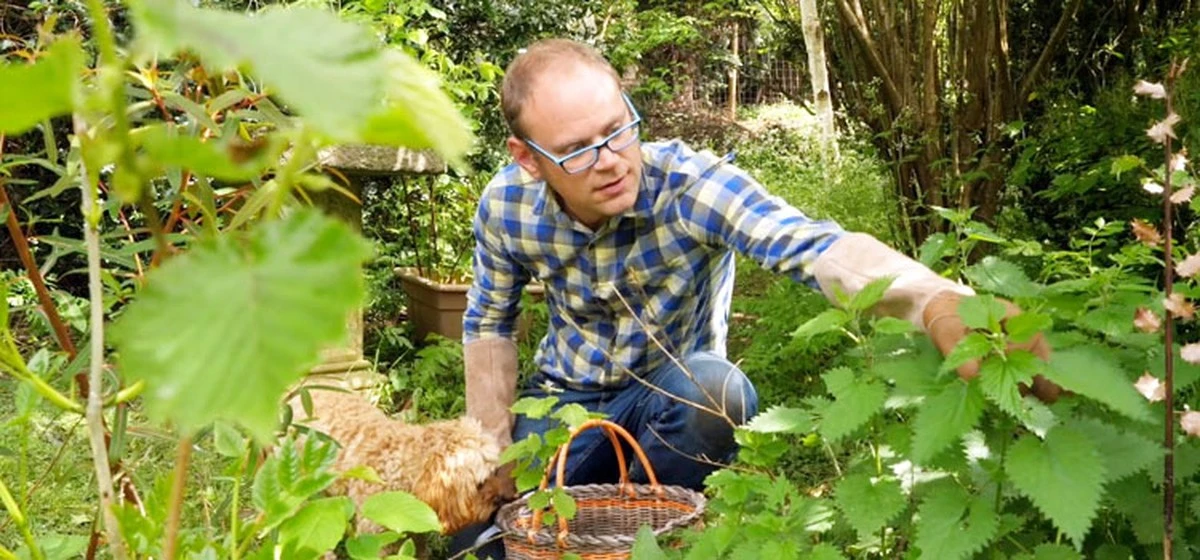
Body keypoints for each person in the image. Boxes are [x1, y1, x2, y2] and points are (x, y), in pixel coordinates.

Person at [456, 38, 1057, 557]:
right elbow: (488, 322)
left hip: (676, 401)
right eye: (579, 149)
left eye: (617, 130)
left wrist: (934, 301)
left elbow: (806, 243)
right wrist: (494, 448)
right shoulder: (505, 205)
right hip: (564, 405)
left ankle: (649, 534)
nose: (611, 161)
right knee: (474, 541)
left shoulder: (690, 185)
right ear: (529, 160)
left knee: (717, 390)